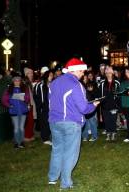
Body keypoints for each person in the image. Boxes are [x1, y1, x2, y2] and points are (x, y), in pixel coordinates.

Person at [48, 58, 100, 189]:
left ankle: (53, 178)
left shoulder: (53, 83)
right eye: (81, 70)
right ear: (74, 70)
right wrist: (93, 105)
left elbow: (51, 103)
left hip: (54, 121)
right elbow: (83, 108)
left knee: (57, 150)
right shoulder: (75, 84)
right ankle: (66, 182)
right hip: (70, 123)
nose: (83, 73)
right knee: (70, 153)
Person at [1, 75, 31, 149]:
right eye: (15, 80)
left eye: (18, 80)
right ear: (13, 81)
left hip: (23, 111)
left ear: (20, 82)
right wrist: (9, 105)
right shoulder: (9, 90)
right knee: (16, 128)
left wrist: (24, 99)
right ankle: (16, 143)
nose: (17, 82)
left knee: (21, 128)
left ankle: (21, 142)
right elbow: (3, 100)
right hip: (14, 111)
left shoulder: (24, 88)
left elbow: (28, 98)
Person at [98, 66, 121, 141]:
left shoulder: (117, 82)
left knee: (113, 119)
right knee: (107, 119)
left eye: (110, 72)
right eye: (107, 72)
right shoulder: (102, 82)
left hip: (113, 104)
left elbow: (119, 94)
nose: (108, 74)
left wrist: (118, 105)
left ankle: (113, 133)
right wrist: (101, 103)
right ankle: (108, 133)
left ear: (112, 73)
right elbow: (99, 94)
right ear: (105, 73)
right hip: (105, 105)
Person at [34, 69, 54, 145]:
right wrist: (40, 106)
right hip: (43, 108)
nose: (52, 77)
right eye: (50, 75)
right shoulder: (40, 85)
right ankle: (45, 138)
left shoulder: (52, 84)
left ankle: (49, 136)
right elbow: (37, 97)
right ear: (46, 76)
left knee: (50, 122)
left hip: (51, 107)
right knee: (44, 122)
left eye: (52, 75)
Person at [23, 67, 36, 142]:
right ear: (26, 74)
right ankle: (26, 136)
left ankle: (30, 135)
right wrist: (26, 103)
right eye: (29, 73)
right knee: (28, 121)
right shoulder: (25, 83)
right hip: (27, 104)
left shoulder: (29, 82)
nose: (31, 74)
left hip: (30, 104)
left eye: (32, 73)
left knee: (31, 120)